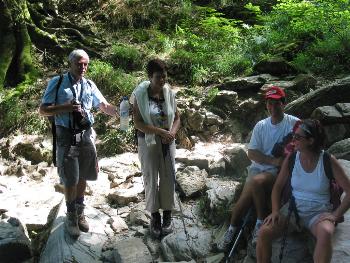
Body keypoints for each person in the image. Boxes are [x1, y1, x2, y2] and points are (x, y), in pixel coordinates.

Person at [39, 49, 118, 238]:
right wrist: (66, 108)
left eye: (85, 64)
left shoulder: (90, 84)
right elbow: (43, 110)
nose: (83, 67)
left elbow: (103, 106)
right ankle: (71, 215)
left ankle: (80, 209)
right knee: (70, 177)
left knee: (83, 174)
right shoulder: (57, 83)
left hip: (86, 134)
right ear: (70, 64)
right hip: (66, 135)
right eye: (79, 63)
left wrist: (120, 110)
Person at [216, 86, 299, 251]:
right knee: (243, 201)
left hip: (278, 173)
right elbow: (252, 153)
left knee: (255, 181)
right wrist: (273, 161)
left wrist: (283, 162)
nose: (273, 107)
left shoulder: (294, 123)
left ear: (284, 104)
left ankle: (260, 222)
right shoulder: (261, 126)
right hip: (261, 168)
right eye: (269, 103)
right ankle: (231, 231)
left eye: (276, 103)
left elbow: (304, 145)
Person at [257, 119, 350, 263]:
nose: (293, 140)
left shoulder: (327, 160)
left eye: (298, 137)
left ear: (311, 141)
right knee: (264, 232)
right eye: (293, 135)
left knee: (325, 233)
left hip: (319, 212)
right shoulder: (292, 158)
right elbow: (277, 187)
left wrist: (335, 215)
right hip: (293, 210)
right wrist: (275, 211)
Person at [131, 59, 181, 238]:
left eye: (164, 77)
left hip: (168, 141)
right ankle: (154, 216)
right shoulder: (140, 95)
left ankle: (167, 214)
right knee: (151, 177)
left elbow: (176, 118)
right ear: (150, 77)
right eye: (158, 77)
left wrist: (172, 133)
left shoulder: (169, 93)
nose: (162, 81)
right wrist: (161, 132)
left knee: (168, 175)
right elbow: (138, 123)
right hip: (148, 141)